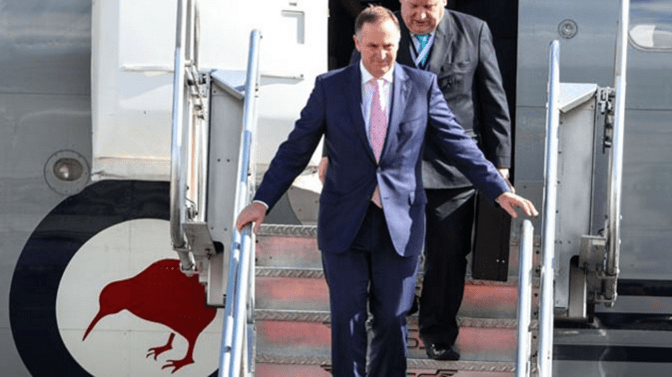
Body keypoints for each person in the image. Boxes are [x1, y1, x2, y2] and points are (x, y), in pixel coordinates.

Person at [236, 6, 536, 376]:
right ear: (357, 43)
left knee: (392, 320)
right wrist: (262, 200)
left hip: (400, 222)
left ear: (400, 44)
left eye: (389, 47)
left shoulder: (421, 88)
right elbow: (295, 149)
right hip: (345, 221)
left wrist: (496, 187)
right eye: (373, 46)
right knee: (347, 318)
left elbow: (459, 143)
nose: (381, 56)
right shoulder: (330, 87)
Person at [320, 0, 513, 361]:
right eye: (412, 6)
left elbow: (493, 99)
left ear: (443, 2)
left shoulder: (475, 32)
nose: (419, 15)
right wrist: (330, 152)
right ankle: (392, 316)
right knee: (392, 247)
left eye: (428, 6)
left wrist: (499, 164)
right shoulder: (382, 31)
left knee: (448, 253)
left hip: (452, 170)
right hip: (391, 169)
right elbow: (348, 98)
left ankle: (437, 331)